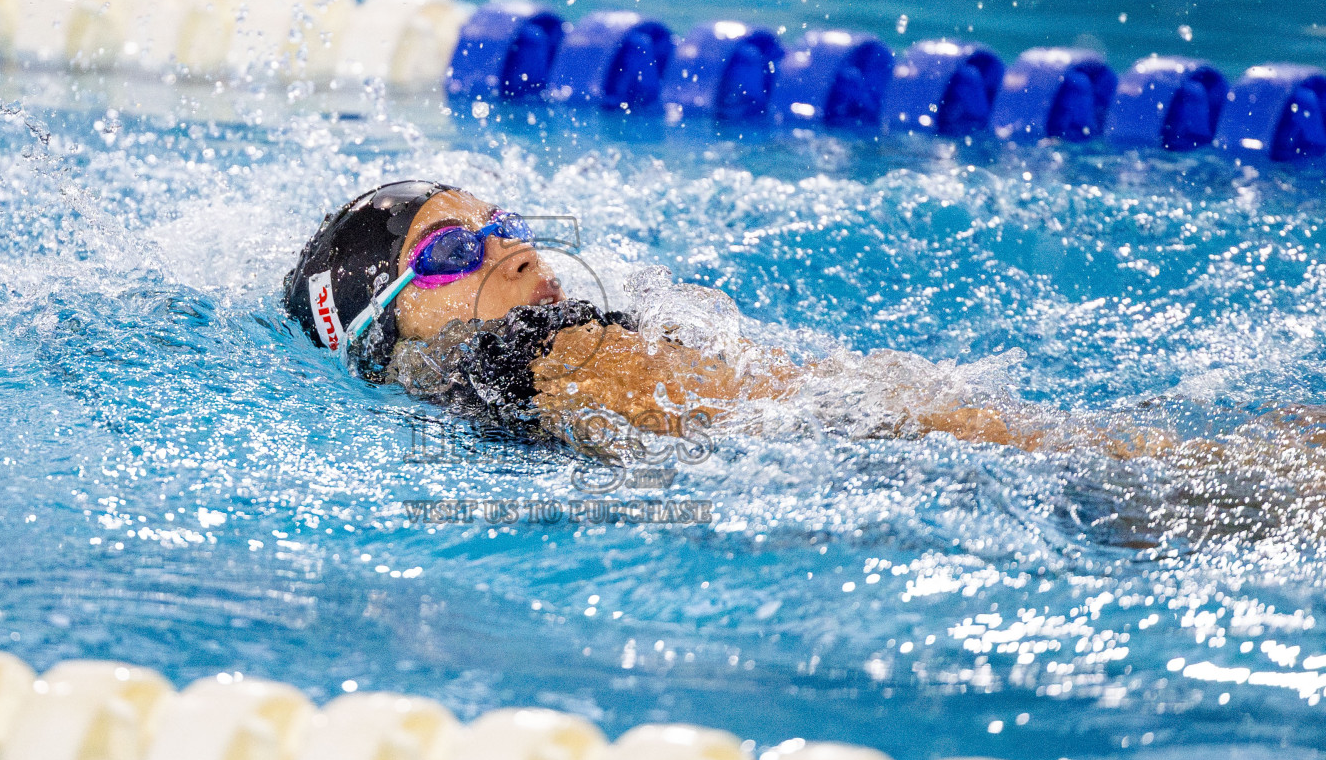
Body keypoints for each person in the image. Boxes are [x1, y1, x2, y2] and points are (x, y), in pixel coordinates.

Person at [279, 179, 1138, 457]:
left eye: (505, 227)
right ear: (381, 329)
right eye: (452, 251)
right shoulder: (529, 358)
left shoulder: (544, 356)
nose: (518, 253)